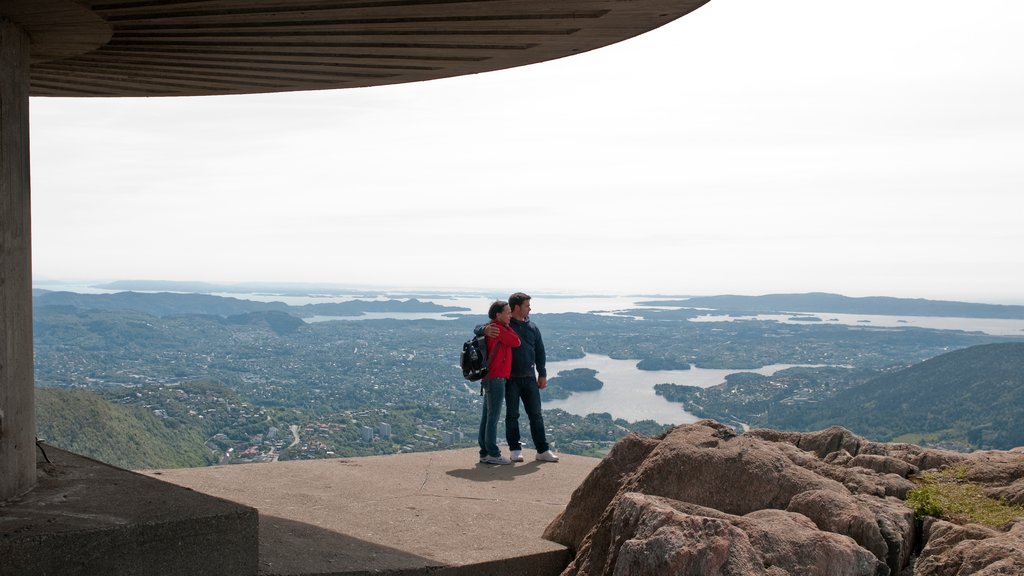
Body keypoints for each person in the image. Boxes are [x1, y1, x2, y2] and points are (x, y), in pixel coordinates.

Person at [481, 292, 559, 463]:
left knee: (536, 414)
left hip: (530, 377)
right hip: (511, 378)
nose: (530, 308)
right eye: (527, 305)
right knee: (512, 415)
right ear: (517, 307)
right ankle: (515, 449)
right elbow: (482, 327)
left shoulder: (533, 327)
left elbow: (540, 351)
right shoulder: (505, 325)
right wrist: (483, 329)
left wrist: (542, 373)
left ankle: (542, 450)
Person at [478, 300, 520, 465]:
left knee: (487, 417)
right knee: (493, 417)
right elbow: (516, 341)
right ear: (498, 314)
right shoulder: (497, 329)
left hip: (490, 377)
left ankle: (484, 452)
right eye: (508, 312)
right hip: (496, 378)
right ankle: (493, 453)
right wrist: (507, 327)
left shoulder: (490, 327)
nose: (510, 315)